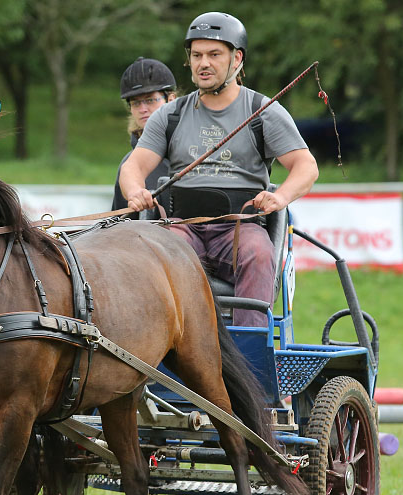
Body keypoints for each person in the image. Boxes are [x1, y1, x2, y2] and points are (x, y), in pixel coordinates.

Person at [119, 12, 319, 326]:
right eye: (196, 55)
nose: (203, 63)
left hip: (240, 228)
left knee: (260, 254)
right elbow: (133, 166)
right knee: (161, 252)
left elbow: (306, 166)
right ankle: (173, 353)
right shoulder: (170, 115)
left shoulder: (262, 112)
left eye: (214, 55)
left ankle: (248, 359)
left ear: (236, 58)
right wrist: (135, 192)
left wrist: (280, 197)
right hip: (183, 226)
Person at [111, 57, 176, 217]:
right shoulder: (128, 164)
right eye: (135, 103)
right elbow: (119, 227)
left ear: (171, 99)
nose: (143, 109)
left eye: (150, 100)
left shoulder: (195, 147)